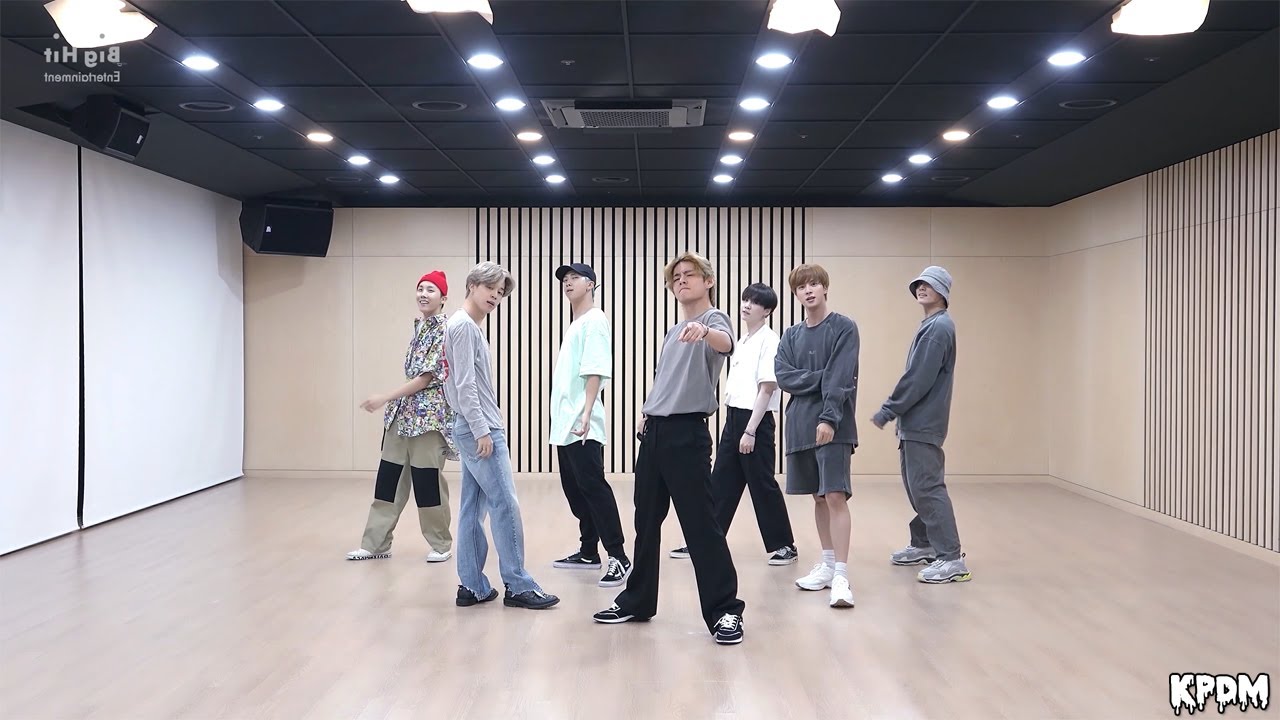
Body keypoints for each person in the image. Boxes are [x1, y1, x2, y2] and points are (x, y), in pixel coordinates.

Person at [593, 251, 746, 646]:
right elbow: (665, 379)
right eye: (675, 277)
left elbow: (727, 344)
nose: (681, 281)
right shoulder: (672, 332)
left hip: (687, 435)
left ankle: (725, 611)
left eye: (689, 275)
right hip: (655, 434)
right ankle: (638, 601)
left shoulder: (713, 320)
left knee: (701, 526)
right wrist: (647, 411)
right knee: (645, 523)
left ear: (708, 281)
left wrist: (704, 331)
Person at [444, 261, 559, 610]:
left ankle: (472, 586)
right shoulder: (464, 326)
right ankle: (518, 584)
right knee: (505, 504)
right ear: (472, 285)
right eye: (490, 287)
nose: (496, 295)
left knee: (473, 506)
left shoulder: (465, 326)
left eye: (500, 291)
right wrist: (481, 429)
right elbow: (464, 385)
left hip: (471, 425)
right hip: (479, 427)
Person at [669, 282, 797, 566]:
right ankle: (705, 541)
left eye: (755, 302)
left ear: (768, 311)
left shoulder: (769, 340)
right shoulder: (742, 340)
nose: (746, 305)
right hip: (734, 417)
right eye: (745, 299)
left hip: (755, 421)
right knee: (721, 482)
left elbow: (767, 388)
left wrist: (750, 430)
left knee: (762, 483)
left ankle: (784, 545)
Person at [346, 271, 455, 564]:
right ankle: (376, 543)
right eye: (420, 288)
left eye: (431, 290)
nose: (423, 294)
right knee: (388, 481)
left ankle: (441, 544)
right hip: (402, 417)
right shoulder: (419, 327)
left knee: (427, 483)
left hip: (428, 419)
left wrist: (385, 397)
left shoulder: (445, 330)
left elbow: (426, 377)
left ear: (443, 298)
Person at [872, 266, 971, 584]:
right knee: (917, 487)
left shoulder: (939, 327)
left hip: (924, 422)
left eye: (929, 284)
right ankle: (925, 542)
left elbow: (918, 378)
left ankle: (951, 558)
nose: (921, 288)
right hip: (915, 422)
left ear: (943, 292)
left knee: (927, 487)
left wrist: (888, 409)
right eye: (918, 284)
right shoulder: (931, 325)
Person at [774, 263, 859, 609]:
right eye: (801, 287)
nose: (808, 290)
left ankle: (841, 574)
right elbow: (783, 376)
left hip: (833, 425)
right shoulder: (791, 335)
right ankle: (826, 564)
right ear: (796, 294)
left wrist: (829, 417)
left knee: (835, 494)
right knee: (818, 497)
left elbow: (841, 377)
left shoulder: (843, 328)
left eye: (813, 284)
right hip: (800, 425)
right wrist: (821, 377)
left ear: (825, 287)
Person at [548, 262, 632, 587]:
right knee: (576, 491)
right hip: (565, 423)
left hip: (581, 421)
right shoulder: (577, 323)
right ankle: (588, 552)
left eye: (575, 278)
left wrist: (586, 413)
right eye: (565, 279)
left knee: (594, 488)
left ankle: (618, 556)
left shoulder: (595, 320)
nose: (568, 283)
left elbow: (595, 367)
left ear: (591, 284)